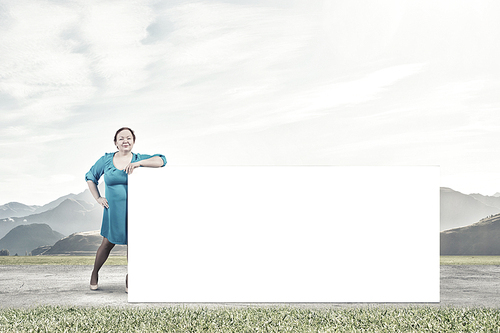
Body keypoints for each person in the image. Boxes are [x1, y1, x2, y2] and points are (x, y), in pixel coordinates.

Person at [85, 127, 166, 292]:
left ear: (133, 141)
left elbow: (162, 160)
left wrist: (139, 163)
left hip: (135, 211)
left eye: (128, 138)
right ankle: (95, 272)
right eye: (121, 138)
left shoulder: (138, 159)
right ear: (116, 143)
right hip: (113, 210)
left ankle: (131, 276)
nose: (125, 141)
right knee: (107, 244)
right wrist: (98, 198)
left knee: (134, 245)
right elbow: (90, 177)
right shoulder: (106, 160)